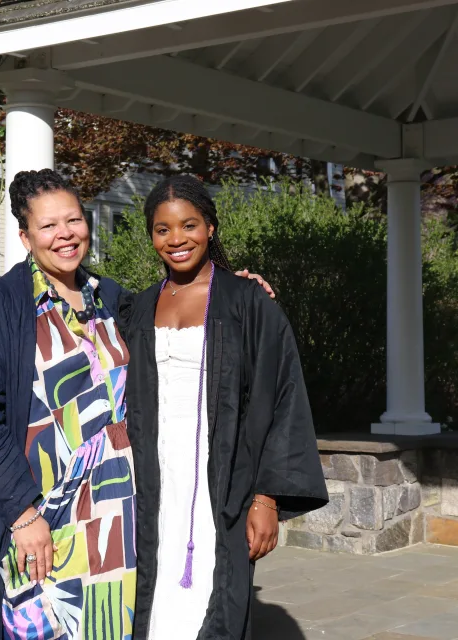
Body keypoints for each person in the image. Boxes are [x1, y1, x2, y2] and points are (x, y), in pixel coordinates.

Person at [0, 169, 274, 640]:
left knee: (108, 627)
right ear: (25, 237)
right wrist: (23, 518)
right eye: (48, 226)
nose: (65, 234)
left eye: (73, 220)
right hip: (45, 520)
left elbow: (172, 313)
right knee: (40, 626)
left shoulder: (108, 299)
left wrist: (232, 289)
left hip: (115, 520)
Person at [122, 175, 328, 640]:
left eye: (189, 225)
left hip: (224, 485)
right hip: (150, 482)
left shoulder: (247, 301)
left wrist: (267, 497)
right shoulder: (137, 308)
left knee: (213, 604)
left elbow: (282, 398)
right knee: (149, 605)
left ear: (211, 227)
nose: (177, 239)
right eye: (162, 230)